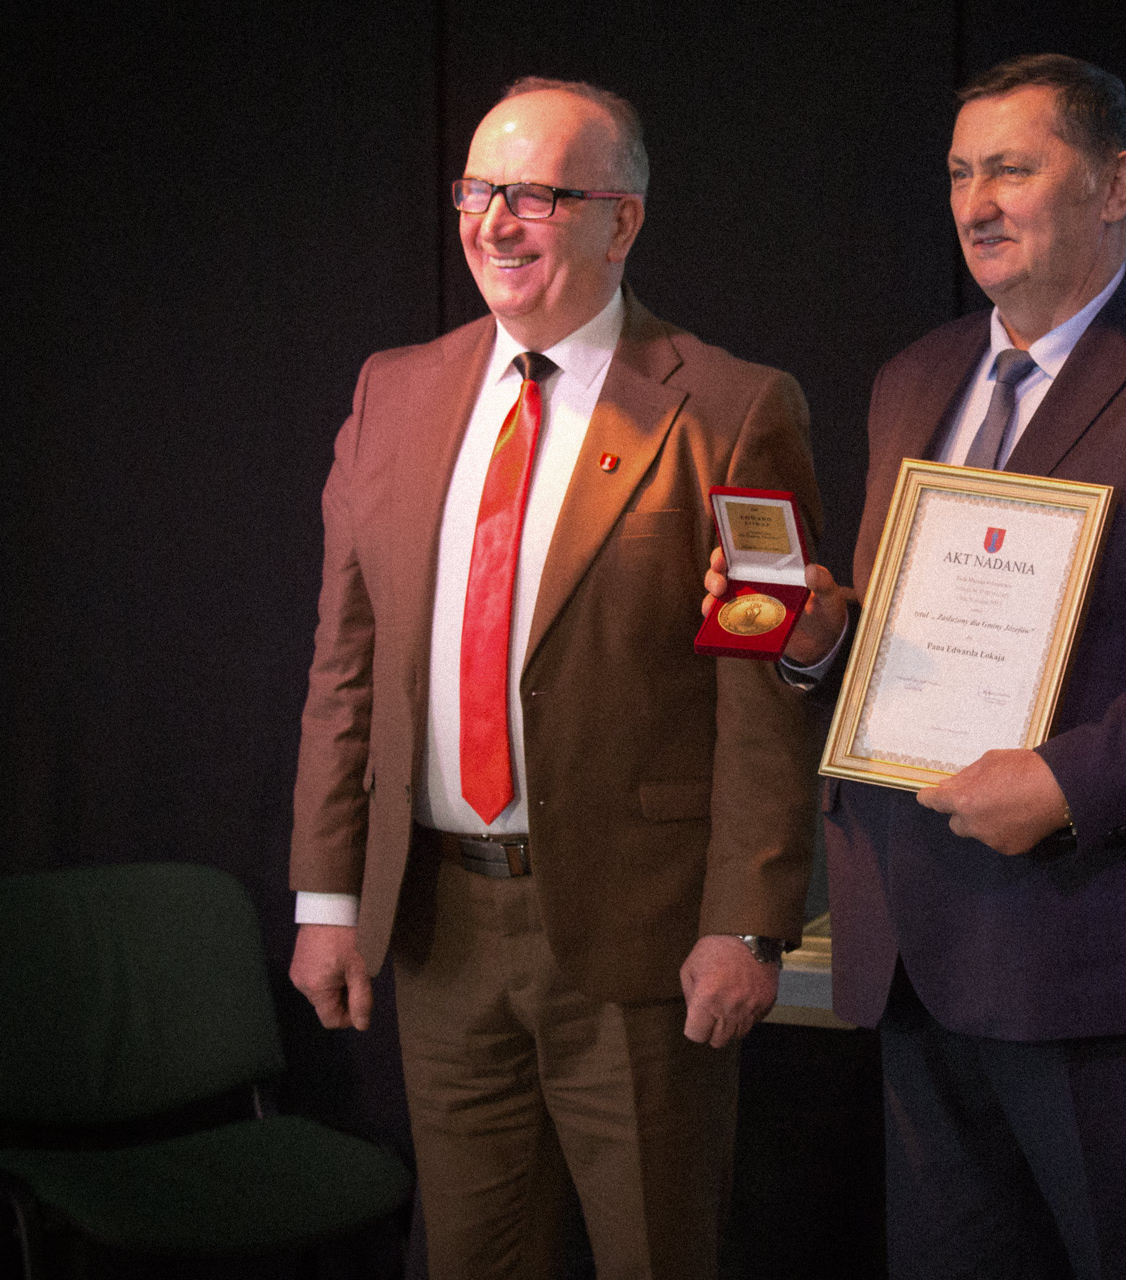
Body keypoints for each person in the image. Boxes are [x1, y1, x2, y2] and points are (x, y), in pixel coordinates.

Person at [707, 54, 1126, 1279]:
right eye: (958, 174)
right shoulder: (914, 377)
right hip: (914, 952)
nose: (976, 203)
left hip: (1097, 959)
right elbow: (909, 638)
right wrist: (824, 641)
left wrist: (1067, 780)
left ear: (1115, 184)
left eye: (1011, 169)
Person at [287, 78, 820, 1280]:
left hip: (642, 937)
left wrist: (747, 918)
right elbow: (345, 664)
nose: (492, 222)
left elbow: (761, 697)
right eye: (476, 190)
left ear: (621, 220)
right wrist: (326, 897)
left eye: (532, 195)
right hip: (438, 931)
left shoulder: (732, 408)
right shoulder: (391, 392)